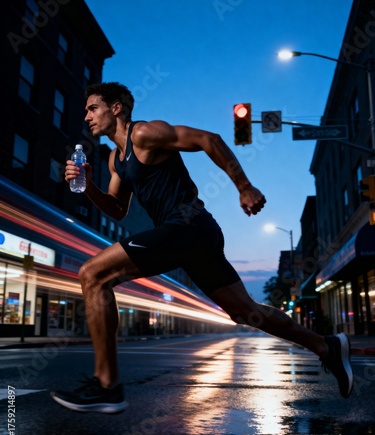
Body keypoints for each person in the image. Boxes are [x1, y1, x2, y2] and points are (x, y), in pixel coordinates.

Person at [50, 82, 353, 413]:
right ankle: (326, 347)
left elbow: (210, 140)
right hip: (192, 236)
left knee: (92, 274)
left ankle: (107, 385)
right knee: (243, 311)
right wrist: (88, 186)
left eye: (93, 108)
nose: (87, 116)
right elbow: (117, 209)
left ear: (116, 108)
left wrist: (244, 186)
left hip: (187, 226)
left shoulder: (145, 134)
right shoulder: (114, 159)